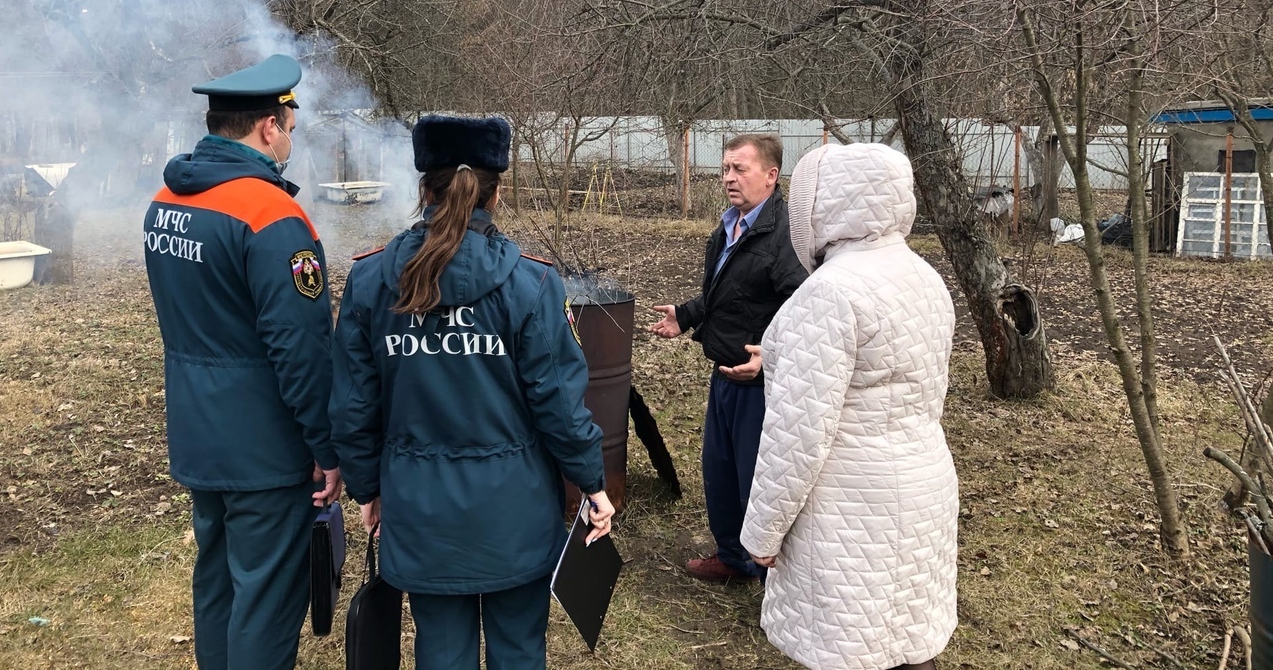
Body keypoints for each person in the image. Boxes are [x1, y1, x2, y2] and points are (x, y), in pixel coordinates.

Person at [329, 114, 615, 670]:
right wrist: (591, 483)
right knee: (518, 649)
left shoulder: (369, 280)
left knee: (441, 650)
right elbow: (557, 403)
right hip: (516, 512)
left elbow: (354, 404)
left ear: (423, 188)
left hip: (418, 506)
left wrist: (368, 489)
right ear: (497, 192)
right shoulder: (532, 283)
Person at [142, 54, 341, 670]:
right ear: (266, 127)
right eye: (289, 123)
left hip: (199, 435)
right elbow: (301, 350)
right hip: (264, 451)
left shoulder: (165, 200)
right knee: (264, 599)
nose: (290, 138)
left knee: (218, 585)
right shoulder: (271, 214)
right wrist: (327, 449)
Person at [740, 143, 958, 670]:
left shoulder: (829, 293)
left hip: (850, 504)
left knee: (850, 646)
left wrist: (762, 532)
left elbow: (798, 435)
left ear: (826, 207)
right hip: (924, 487)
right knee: (906, 641)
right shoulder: (925, 279)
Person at [649, 133, 806, 581]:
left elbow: (803, 308)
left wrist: (771, 356)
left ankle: (770, 574)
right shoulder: (731, 225)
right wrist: (687, 315)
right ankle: (732, 557)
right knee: (720, 473)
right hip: (724, 374)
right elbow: (727, 294)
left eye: (740, 169)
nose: (729, 178)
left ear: (771, 176)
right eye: (725, 169)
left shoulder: (784, 236)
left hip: (761, 384)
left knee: (756, 483)